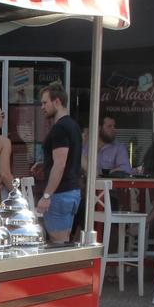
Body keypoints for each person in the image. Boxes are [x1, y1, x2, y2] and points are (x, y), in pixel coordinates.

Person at [31, 82, 86, 244]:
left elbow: (60, 164)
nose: (42, 107)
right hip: (71, 191)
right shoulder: (73, 126)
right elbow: (70, 158)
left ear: (57, 102)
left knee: (58, 244)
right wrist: (44, 162)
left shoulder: (60, 128)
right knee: (63, 241)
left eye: (44, 102)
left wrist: (46, 196)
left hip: (61, 193)